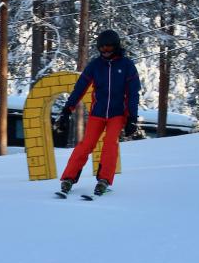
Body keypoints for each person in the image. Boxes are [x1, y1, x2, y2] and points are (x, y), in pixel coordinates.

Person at [57, 29, 140, 196]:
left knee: (110, 144)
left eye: (109, 48)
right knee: (86, 144)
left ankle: (104, 179)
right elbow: (80, 88)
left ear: (116, 47)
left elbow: (133, 93)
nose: (106, 52)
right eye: (102, 49)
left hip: (117, 114)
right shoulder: (95, 66)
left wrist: (132, 117)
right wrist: (67, 109)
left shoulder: (127, 66)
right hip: (98, 113)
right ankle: (68, 178)